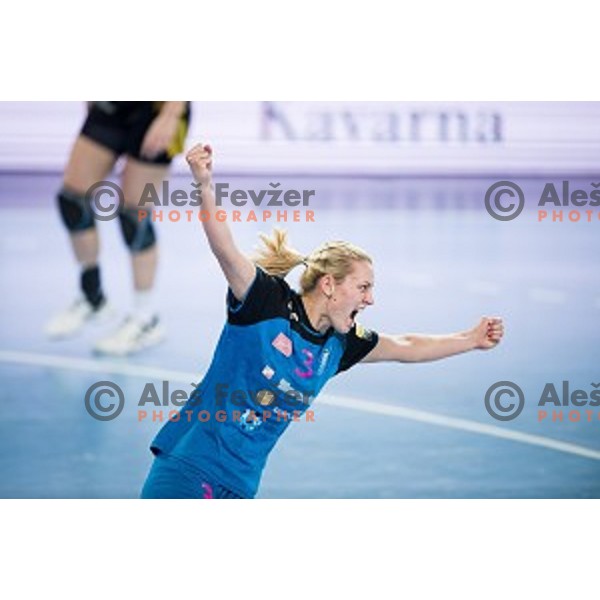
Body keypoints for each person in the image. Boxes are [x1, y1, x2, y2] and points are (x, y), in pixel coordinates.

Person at [141, 143, 505, 499]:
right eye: (363, 287)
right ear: (329, 285)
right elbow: (225, 248)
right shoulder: (265, 302)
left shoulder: (340, 343)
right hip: (190, 467)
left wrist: (469, 339)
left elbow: (405, 346)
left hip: (241, 485)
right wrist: (204, 184)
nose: (370, 299)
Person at [45, 101, 191, 355]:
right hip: (113, 103)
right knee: (72, 200)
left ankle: (145, 319)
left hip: (159, 108)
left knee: (134, 216)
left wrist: (171, 113)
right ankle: (93, 297)